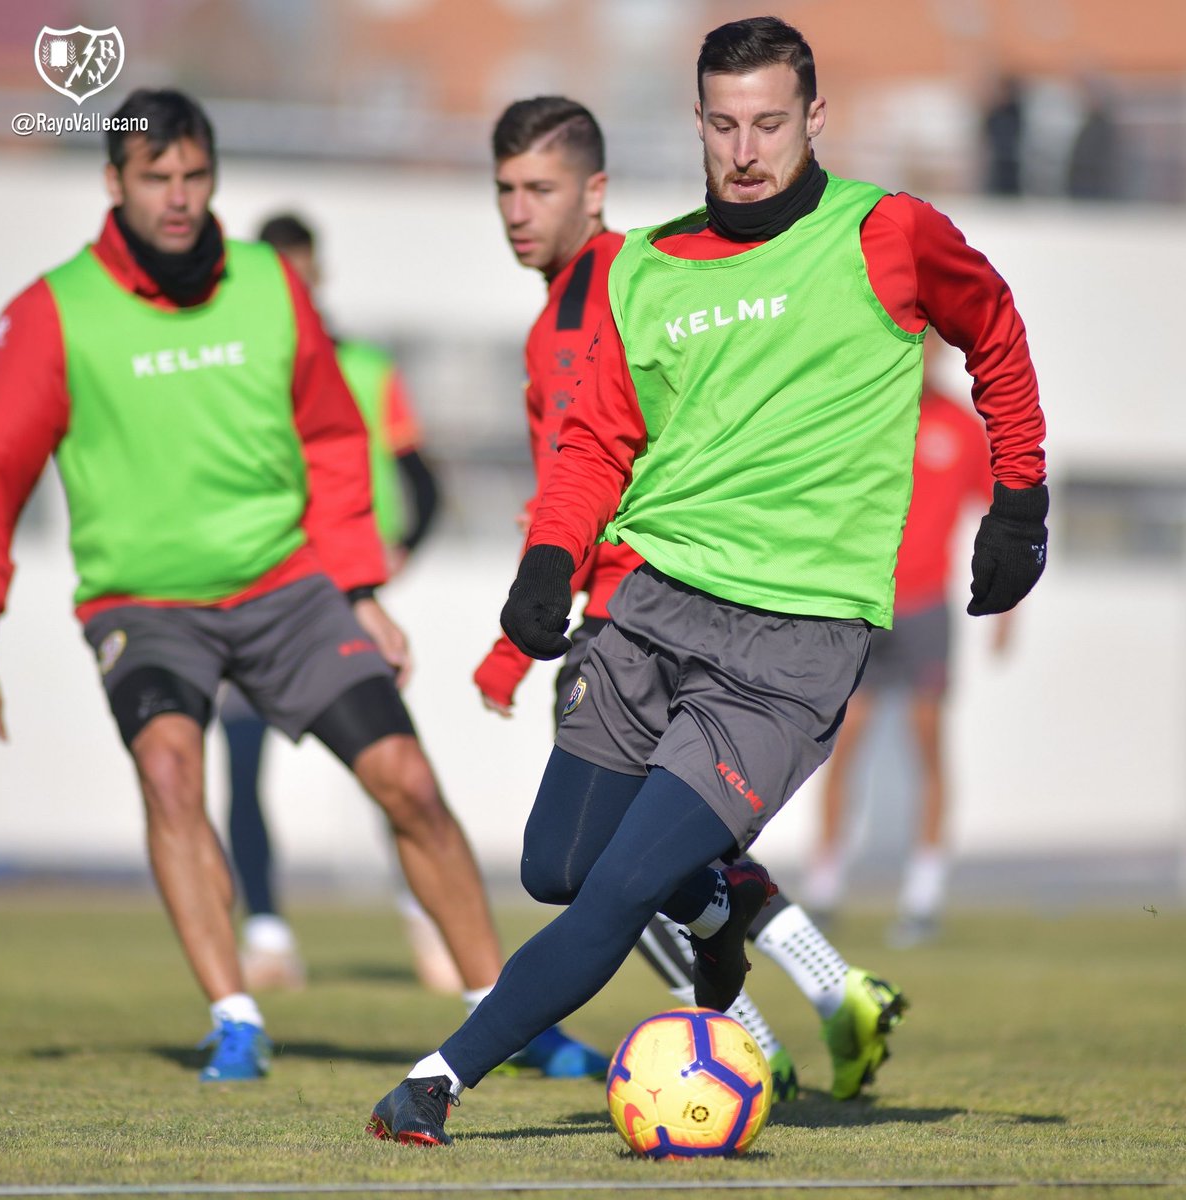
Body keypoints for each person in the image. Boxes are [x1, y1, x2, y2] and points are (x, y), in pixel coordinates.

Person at [364, 14, 1048, 1145]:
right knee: (558, 866)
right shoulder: (648, 267)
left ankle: (439, 1080)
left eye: (770, 122)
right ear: (695, 125)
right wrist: (545, 563)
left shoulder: (888, 232)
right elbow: (594, 444)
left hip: (792, 645)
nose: (746, 149)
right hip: (648, 607)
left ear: (814, 118)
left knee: (619, 890)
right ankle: (723, 899)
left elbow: (998, 332)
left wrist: (1019, 496)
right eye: (724, 124)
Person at [0, 88, 604, 1084]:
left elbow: (331, 436)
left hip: (289, 593)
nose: (180, 199)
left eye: (196, 177)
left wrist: (359, 585)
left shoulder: (271, 285)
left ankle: (510, 1015)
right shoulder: (52, 311)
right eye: (157, 179)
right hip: (144, 606)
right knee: (172, 772)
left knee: (407, 780)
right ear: (115, 184)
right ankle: (235, 1017)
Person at [472, 95, 909, 1104]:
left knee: (607, 873)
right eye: (504, 190)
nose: (517, 212)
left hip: (655, 609)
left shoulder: (630, 286)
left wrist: (523, 640)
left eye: (539, 188)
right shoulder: (565, 316)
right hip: (648, 603)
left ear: (595, 192)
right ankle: (828, 985)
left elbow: (610, 465)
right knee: (651, 859)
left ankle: (748, 1042)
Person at [217, 212, 452, 994]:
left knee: (390, 766)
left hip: (344, 604)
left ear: (318, 278)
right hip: (254, 597)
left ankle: (426, 922)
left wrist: (388, 564)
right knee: (243, 766)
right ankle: (267, 933)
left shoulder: (364, 368)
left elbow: (421, 481)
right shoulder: (232, 369)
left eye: (302, 274)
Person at [804, 341, 1012, 946]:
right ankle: (825, 886)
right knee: (842, 745)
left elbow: (998, 514)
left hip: (926, 609)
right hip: (864, 607)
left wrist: (1006, 606)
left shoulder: (960, 428)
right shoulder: (865, 413)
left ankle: (924, 895)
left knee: (927, 744)